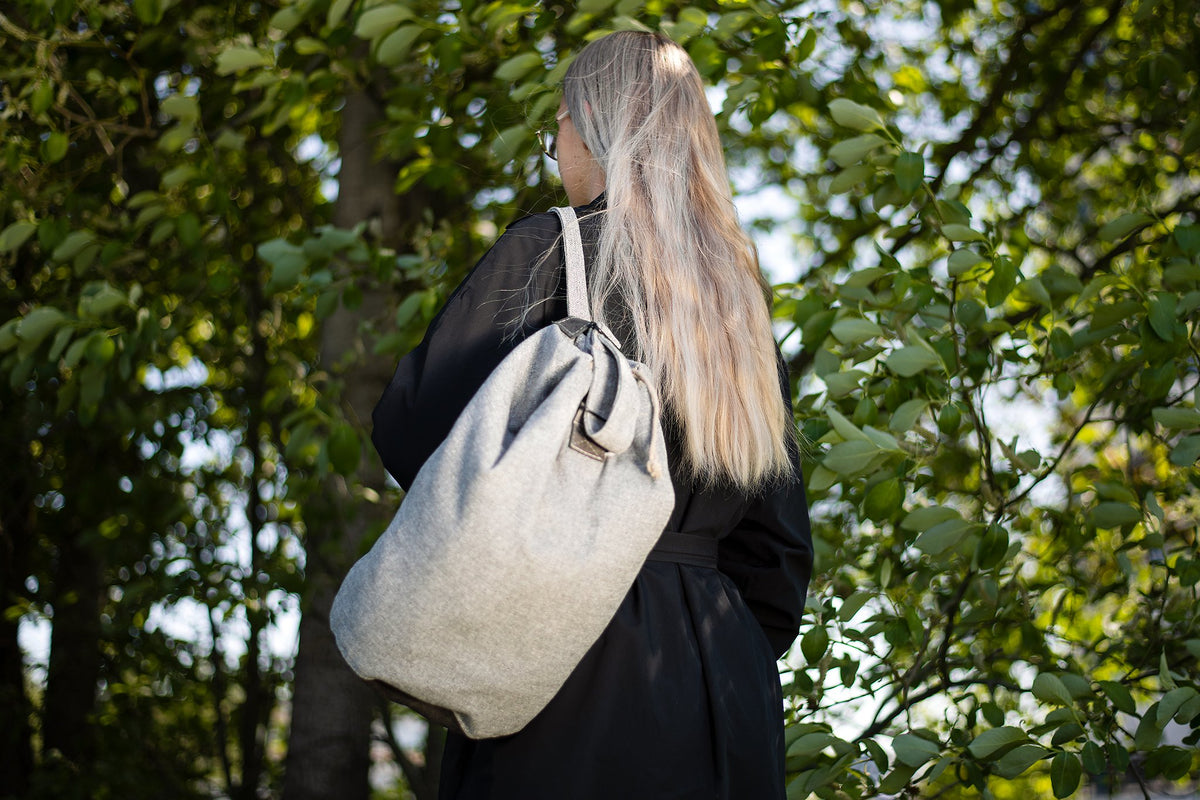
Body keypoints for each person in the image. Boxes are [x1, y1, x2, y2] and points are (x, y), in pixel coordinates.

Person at [370, 30, 813, 800]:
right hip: (723, 688)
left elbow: (412, 431)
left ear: (590, 126)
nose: (558, 153)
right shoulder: (736, 303)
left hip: (563, 660)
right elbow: (777, 554)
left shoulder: (549, 250)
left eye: (557, 131)